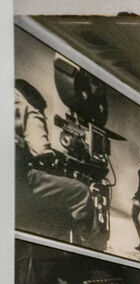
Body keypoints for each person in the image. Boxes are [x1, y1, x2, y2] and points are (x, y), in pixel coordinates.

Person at [14, 79, 96, 243]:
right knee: (82, 192)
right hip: (14, 178)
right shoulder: (27, 105)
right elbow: (41, 150)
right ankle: (88, 248)